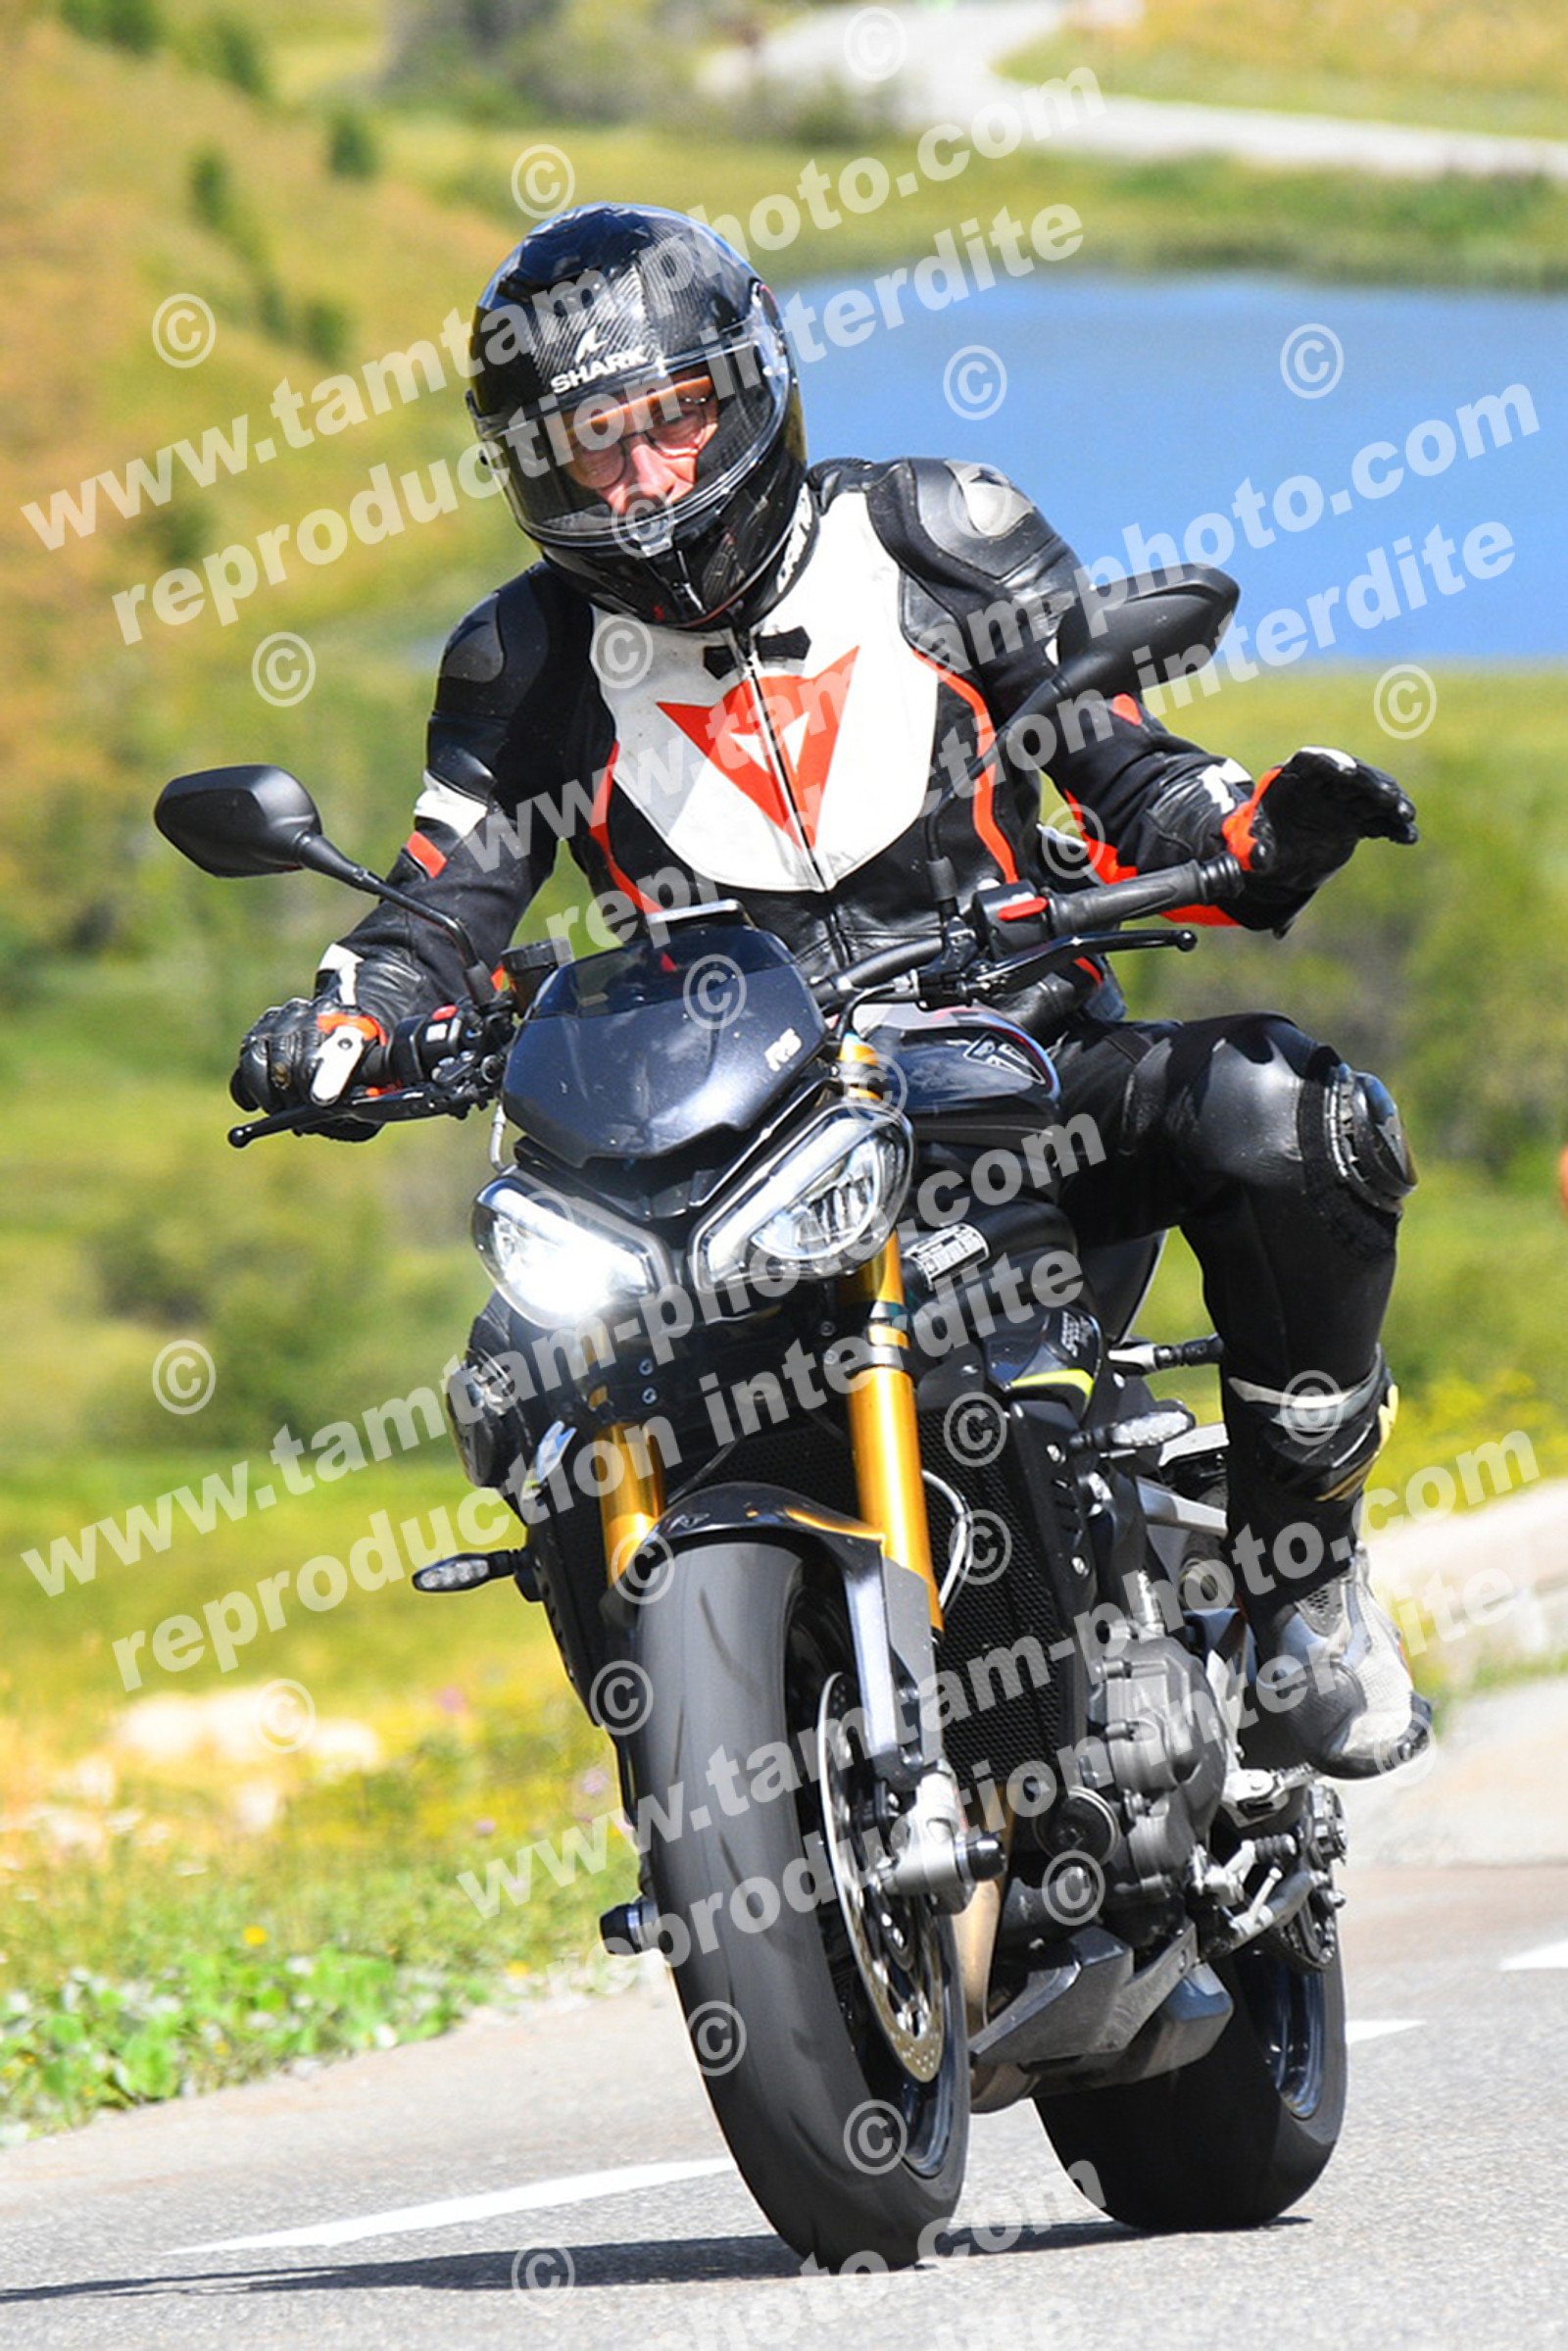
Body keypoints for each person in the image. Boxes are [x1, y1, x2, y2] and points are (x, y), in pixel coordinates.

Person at [234, 202, 1428, 1779]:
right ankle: (694, 1781)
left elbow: (1127, 768)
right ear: (534, 464)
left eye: (674, 415)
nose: (646, 475)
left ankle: (1304, 1586)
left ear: (751, 388)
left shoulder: (941, 534)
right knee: (523, 1371)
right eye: (597, 441)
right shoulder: (522, 660)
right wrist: (354, 1015)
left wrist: (1248, 825)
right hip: (720, 1152)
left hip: (1016, 1084)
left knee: (1288, 1113)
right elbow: (440, 899)